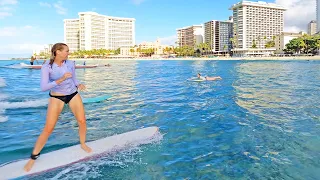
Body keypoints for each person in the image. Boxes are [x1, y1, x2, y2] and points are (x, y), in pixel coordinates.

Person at [24, 43, 92, 172]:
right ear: (58, 52)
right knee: (49, 128)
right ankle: (33, 157)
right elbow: (43, 87)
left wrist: (79, 84)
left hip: (72, 94)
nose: (68, 53)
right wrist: (60, 79)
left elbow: (74, 79)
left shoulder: (70, 63)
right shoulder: (47, 67)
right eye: (66, 51)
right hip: (56, 97)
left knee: (82, 121)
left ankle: (83, 143)